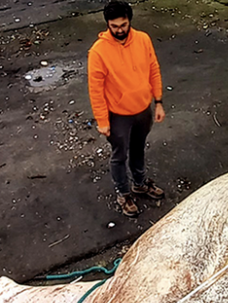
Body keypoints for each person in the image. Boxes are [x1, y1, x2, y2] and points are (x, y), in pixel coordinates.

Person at [88, 0, 166, 218]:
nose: (119, 30)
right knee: (119, 155)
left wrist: (158, 101)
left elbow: (154, 70)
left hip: (143, 110)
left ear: (129, 21)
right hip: (118, 116)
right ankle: (123, 193)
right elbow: (96, 90)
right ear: (107, 25)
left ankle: (140, 184)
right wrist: (102, 120)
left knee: (139, 148)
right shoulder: (98, 52)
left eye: (123, 25)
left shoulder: (143, 40)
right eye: (114, 26)